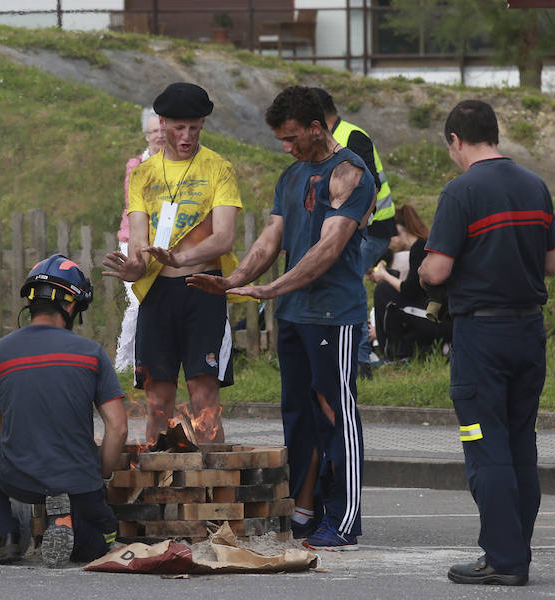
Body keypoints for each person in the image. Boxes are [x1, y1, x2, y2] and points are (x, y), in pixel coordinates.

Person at [189, 86, 375, 550]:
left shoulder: (350, 172)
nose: (286, 147)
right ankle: (305, 510)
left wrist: (270, 288)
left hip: (334, 314)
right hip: (294, 312)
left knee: (336, 413)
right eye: (282, 140)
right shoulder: (291, 176)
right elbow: (270, 240)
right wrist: (234, 281)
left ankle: (345, 518)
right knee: (298, 412)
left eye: (292, 138)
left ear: (317, 127)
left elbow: (329, 248)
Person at [418, 100, 555, 586]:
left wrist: (422, 270)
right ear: (494, 134)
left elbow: (436, 270)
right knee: (522, 444)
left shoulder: (462, 192)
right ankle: (516, 552)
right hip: (529, 331)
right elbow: (552, 263)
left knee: (485, 447)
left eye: (450, 149)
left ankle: (502, 560)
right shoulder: (534, 185)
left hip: (482, 335)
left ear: (456, 140)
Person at [102, 82, 242, 445]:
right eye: (179, 127)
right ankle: (159, 485)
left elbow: (224, 237)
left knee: (203, 396)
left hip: (203, 286)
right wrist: (132, 268)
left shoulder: (219, 168)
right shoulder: (144, 174)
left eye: (195, 127)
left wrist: (181, 257)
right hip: (158, 293)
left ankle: (213, 489)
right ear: (161, 124)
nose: (187, 136)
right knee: (158, 400)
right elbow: (138, 243)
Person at [0, 254, 128, 567]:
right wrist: (102, 473)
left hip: (19, 479)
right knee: (103, 540)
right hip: (80, 482)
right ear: (71, 306)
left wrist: (24, 430)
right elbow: (118, 428)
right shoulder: (92, 354)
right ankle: (68, 522)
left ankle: (3, 537)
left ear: (30, 303)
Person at [313, 88, 397, 379]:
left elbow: (369, 186)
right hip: (350, 228)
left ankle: (361, 359)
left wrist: (353, 226)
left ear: (319, 117)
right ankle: (349, 355)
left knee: (347, 284)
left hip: (370, 229)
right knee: (343, 284)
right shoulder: (327, 139)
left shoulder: (352, 136)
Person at [366, 204, 451, 361]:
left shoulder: (419, 247)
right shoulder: (427, 244)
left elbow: (409, 291)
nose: (389, 244)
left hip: (438, 319)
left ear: (398, 231)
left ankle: (390, 354)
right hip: (440, 315)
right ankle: (402, 352)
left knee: (384, 291)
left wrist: (384, 275)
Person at [115, 107, 165, 372]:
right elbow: (134, 202)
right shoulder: (136, 165)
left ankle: (150, 359)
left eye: (161, 130)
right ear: (146, 135)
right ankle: (124, 363)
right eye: (153, 131)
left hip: (164, 241)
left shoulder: (175, 163)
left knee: (160, 302)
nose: (159, 135)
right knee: (137, 299)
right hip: (133, 239)